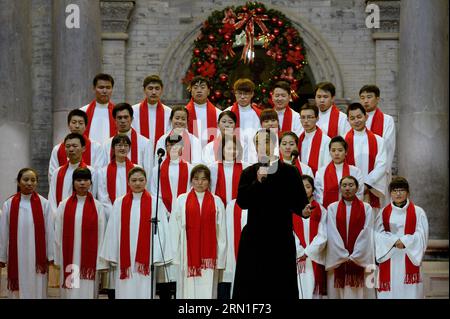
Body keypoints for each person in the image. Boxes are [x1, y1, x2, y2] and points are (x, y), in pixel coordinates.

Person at [232, 129, 312, 299]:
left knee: (281, 286)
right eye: (258, 143)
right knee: (252, 287)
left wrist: (304, 211)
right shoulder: (249, 173)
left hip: (280, 237)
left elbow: (300, 203)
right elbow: (242, 202)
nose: (263, 147)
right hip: (255, 237)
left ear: (274, 144)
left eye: (266, 142)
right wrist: (257, 182)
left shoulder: (290, 172)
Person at [100, 166, 173, 299]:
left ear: (146, 181)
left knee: (144, 287)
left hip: (146, 257)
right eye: (134, 180)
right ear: (128, 182)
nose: (137, 183)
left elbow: (162, 230)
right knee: (125, 287)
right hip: (124, 256)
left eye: (141, 180)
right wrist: (112, 252)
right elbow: (112, 229)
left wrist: (157, 254)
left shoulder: (155, 202)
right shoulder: (119, 202)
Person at [169, 164, 226, 299]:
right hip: (187, 253)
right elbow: (174, 228)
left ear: (209, 181)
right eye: (196, 179)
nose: (200, 183)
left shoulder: (217, 201)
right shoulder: (181, 200)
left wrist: (221, 256)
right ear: (191, 180)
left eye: (204, 179)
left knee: (208, 288)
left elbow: (221, 231)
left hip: (209, 256)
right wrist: (175, 255)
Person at [0, 168, 54, 299]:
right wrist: (2, 256)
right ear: (18, 182)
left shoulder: (44, 204)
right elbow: (3, 232)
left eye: (33, 180)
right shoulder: (9, 204)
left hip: (38, 257)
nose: (29, 183)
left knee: (37, 286)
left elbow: (49, 230)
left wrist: (51, 254)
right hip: (17, 255)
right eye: (25, 180)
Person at [54, 167, 107, 299]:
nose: (82, 183)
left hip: (90, 259)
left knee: (87, 289)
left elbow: (102, 234)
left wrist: (101, 259)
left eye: (85, 180)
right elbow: (58, 232)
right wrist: (58, 255)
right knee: (71, 290)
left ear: (90, 183)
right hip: (70, 256)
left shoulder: (98, 206)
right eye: (78, 180)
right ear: (73, 183)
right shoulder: (64, 205)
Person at [375, 176, 429, 299]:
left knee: (410, 293)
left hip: (409, 256)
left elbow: (422, 235)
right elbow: (377, 234)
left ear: (408, 192)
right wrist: (394, 241)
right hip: (390, 257)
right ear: (390, 193)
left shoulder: (418, 212)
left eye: (401, 190)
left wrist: (405, 241)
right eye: (394, 190)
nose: (398, 193)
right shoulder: (383, 212)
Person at [97, 134, 137, 299]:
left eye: (125, 145)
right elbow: (102, 195)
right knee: (115, 258)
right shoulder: (103, 171)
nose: (122, 148)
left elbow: (139, 190)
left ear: (129, 148)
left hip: (133, 218)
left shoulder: (136, 168)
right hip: (112, 218)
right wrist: (116, 213)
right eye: (118, 145)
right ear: (112, 149)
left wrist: (129, 212)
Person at [325, 176, 375, 299]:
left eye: (351, 185)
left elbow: (367, 232)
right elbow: (332, 233)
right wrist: (342, 255)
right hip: (339, 261)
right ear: (340, 188)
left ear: (357, 188)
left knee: (361, 293)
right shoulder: (332, 208)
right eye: (344, 185)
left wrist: (355, 255)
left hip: (360, 260)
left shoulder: (366, 208)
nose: (347, 188)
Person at [345, 103, 387, 210]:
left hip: (370, 189)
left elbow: (381, 165)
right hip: (348, 189)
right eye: (352, 118)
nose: (356, 121)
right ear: (348, 120)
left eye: (359, 117)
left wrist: (366, 185)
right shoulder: (343, 142)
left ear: (366, 117)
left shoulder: (378, 141)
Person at [359, 85, 396, 206]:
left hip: (379, 176)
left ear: (377, 99)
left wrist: (374, 178)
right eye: (362, 97)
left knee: (379, 212)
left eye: (369, 97)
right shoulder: (356, 120)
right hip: (359, 172)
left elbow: (388, 148)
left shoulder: (387, 120)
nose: (365, 101)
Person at [293, 175, 327, 299]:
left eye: (308, 187)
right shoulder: (291, 209)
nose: (304, 189)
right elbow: (289, 233)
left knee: (315, 294)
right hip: (297, 258)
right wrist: (299, 251)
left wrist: (307, 252)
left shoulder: (321, 210)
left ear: (313, 189)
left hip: (315, 258)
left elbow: (323, 234)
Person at [48, 109, 106, 182]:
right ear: (69, 125)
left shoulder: (96, 147)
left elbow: (98, 174)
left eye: (81, 123)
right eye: (74, 122)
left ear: (86, 126)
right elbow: (52, 176)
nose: (77, 126)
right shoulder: (57, 149)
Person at [48, 133, 97, 214]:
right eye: (67, 146)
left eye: (75, 146)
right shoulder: (57, 173)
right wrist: (57, 216)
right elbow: (52, 199)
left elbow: (93, 196)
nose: (71, 149)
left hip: (84, 214)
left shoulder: (91, 172)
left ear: (83, 148)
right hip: (61, 217)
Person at [314, 136, 364, 208]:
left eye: (340, 150)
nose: (336, 153)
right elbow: (318, 196)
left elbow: (359, 193)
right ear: (329, 152)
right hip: (327, 212)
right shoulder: (321, 172)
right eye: (333, 150)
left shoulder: (355, 171)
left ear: (346, 152)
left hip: (351, 210)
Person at [103, 103, 153, 172]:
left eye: (126, 117)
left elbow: (148, 170)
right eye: (119, 118)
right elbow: (104, 170)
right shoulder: (107, 144)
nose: (123, 121)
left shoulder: (145, 143)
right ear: (115, 120)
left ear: (132, 119)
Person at [150, 134, 192, 215]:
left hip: (185, 211)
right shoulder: (157, 169)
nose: (174, 147)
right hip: (163, 212)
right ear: (166, 147)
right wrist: (164, 211)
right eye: (171, 145)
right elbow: (155, 192)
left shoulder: (190, 168)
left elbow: (191, 190)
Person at [224, 79, 262, 163]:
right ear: (235, 93)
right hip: (232, 158)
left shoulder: (259, 115)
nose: (242, 97)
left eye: (245, 94)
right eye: (239, 93)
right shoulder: (227, 113)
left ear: (252, 94)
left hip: (254, 159)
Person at [131, 75, 172, 152]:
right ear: (144, 90)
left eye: (157, 88)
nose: (153, 92)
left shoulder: (169, 112)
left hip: (161, 154)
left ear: (162, 90)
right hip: (140, 153)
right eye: (150, 88)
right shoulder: (133, 111)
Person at [209, 135, 248, 206]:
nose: (232, 151)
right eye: (229, 148)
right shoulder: (212, 168)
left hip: (239, 208)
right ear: (222, 149)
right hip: (218, 207)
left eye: (235, 149)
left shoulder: (246, 167)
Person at [185, 76, 222, 148]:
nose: (199, 90)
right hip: (189, 153)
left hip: (211, 155)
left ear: (208, 91)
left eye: (202, 87)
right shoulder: (184, 113)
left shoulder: (218, 114)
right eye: (195, 88)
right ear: (191, 91)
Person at [80, 73, 116, 144]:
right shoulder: (83, 111)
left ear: (112, 89)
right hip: (89, 153)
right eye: (101, 87)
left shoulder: (118, 113)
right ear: (94, 88)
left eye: (108, 87)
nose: (105, 91)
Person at [298, 103, 331, 175]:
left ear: (317, 118)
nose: (306, 121)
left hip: (318, 180)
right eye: (303, 117)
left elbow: (327, 166)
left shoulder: (326, 140)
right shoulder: (298, 139)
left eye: (309, 117)